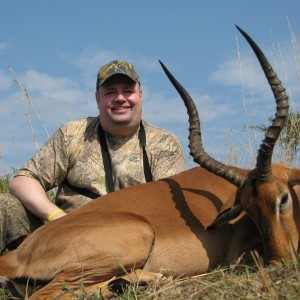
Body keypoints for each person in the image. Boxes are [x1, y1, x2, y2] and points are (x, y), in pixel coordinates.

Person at [0, 60, 186, 253]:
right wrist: (58, 218)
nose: (120, 98)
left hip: (128, 245)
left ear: (140, 94)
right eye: (110, 92)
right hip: (62, 239)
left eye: (128, 91)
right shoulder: (73, 134)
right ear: (98, 98)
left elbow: (173, 211)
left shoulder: (164, 144)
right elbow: (23, 181)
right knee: (4, 206)